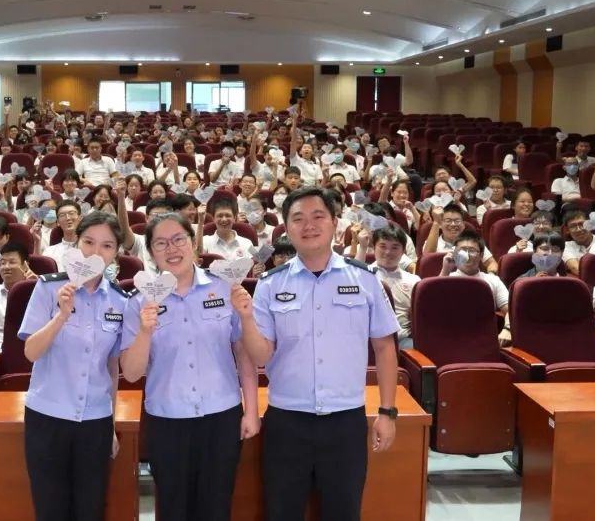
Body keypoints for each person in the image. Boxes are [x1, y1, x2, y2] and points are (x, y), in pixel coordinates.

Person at [236, 187, 398, 521]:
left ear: (335, 222)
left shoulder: (364, 278)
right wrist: (247, 319)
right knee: (281, 512)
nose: (308, 225)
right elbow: (261, 356)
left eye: (318, 216)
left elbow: (384, 347)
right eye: (298, 219)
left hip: (345, 420)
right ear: (286, 228)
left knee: (344, 512)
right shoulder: (270, 284)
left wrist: (387, 412)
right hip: (287, 421)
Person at [121, 212, 260, 521]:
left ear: (193, 244)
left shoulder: (225, 289)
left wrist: (251, 410)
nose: (172, 249)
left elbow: (244, 354)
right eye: (161, 243)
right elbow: (130, 373)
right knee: (173, 509)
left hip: (221, 418)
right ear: (151, 252)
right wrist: (144, 331)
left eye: (178, 239)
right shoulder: (138, 301)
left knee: (216, 507)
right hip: (167, 421)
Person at [20, 212, 128, 521]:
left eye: (107, 245)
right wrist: (62, 315)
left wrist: (110, 425)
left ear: (116, 252)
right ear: (76, 244)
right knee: (50, 509)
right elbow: (30, 352)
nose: (96, 252)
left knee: (90, 509)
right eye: (89, 242)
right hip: (47, 416)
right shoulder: (47, 288)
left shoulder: (120, 301)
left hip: (95, 420)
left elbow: (112, 368)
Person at [439, 230, 510, 346]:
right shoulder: (446, 278)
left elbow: (510, 309)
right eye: (462, 250)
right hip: (450, 339)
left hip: (484, 339)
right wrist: (445, 270)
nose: (466, 254)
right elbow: (431, 306)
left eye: (472, 250)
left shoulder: (493, 280)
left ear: (481, 255)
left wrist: (508, 329)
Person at [372, 226, 421, 348]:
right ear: (374, 247)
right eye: (383, 246)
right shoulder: (363, 276)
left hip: (402, 340)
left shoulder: (414, 280)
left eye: (394, 247)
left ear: (403, 251)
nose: (388, 252)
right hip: (369, 340)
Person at [0, 242, 36, 352]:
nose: (6, 267)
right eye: (3, 263)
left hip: (34, 353)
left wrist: (36, 290)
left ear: (25, 265)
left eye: (12, 262)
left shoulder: (39, 290)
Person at [423, 203, 498, 273]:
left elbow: (492, 263)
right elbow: (428, 258)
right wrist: (436, 221)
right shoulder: (432, 243)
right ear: (440, 225)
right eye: (448, 221)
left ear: (463, 225)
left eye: (457, 221)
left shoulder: (474, 242)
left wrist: (491, 275)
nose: (453, 224)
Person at [201, 195, 255, 260]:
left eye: (228, 215)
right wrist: (200, 222)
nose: (224, 219)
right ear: (214, 218)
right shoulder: (205, 241)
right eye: (220, 216)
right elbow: (197, 260)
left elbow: (255, 263)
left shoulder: (247, 243)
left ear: (234, 218)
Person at [40, 200, 81, 269]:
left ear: (80, 218)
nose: (68, 218)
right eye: (62, 215)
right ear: (58, 222)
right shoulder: (49, 252)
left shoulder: (91, 249)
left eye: (71, 213)